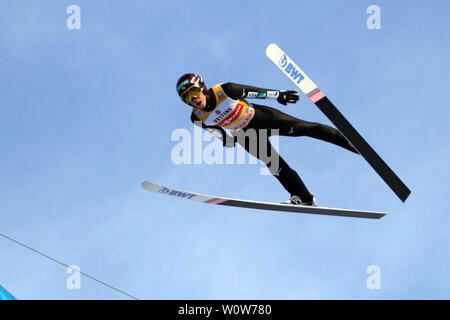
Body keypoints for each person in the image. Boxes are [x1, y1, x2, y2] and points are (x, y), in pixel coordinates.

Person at [176, 73, 359, 206]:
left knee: (306, 128)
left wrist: (279, 95)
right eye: (187, 99)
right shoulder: (197, 117)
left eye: (194, 93)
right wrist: (225, 140)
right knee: (275, 166)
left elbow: (253, 92)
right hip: (245, 136)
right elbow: (215, 131)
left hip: (262, 118)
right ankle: (304, 198)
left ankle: (353, 144)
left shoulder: (226, 90)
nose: (193, 100)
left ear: (203, 88)